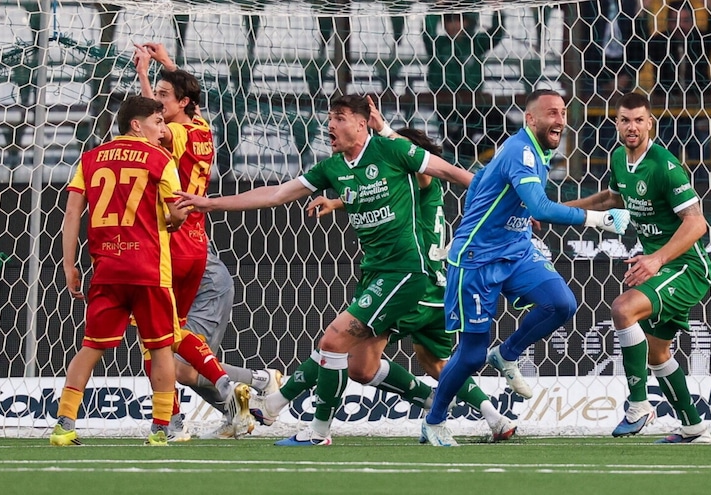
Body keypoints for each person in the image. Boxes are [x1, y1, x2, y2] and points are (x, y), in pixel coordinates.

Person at [177, 94, 474, 446]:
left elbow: (454, 173)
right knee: (356, 362)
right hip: (374, 273)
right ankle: (285, 406)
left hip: (405, 272)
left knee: (333, 341)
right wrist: (210, 203)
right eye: (329, 117)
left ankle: (311, 427)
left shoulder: (393, 150)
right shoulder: (332, 167)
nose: (330, 124)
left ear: (362, 124)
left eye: (340, 117)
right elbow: (275, 194)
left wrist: (507, 203)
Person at [288, 109, 517, 442]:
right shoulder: (423, 188)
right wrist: (339, 202)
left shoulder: (421, 179)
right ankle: (495, 417)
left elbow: (406, 168)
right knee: (435, 363)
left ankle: (285, 407)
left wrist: (386, 131)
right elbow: (376, 186)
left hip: (413, 288)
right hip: (439, 288)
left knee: (350, 353)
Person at [420, 89, 631, 447]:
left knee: (561, 303)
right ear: (530, 119)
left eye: (563, 113)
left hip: (516, 250)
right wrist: (599, 219)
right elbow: (542, 207)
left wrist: (512, 214)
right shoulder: (521, 150)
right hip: (477, 259)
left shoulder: (534, 151)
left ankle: (506, 353)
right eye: (551, 113)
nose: (559, 120)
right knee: (470, 355)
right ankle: (435, 421)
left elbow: (485, 186)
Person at [134, 43, 276, 440]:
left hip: (182, 247)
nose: (159, 105)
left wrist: (146, 75)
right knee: (174, 354)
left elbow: (152, 125)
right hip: (195, 243)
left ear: (180, 104)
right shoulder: (202, 126)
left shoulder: (175, 132)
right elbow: (184, 96)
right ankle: (244, 400)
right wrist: (166, 66)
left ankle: (251, 388)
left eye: (166, 97)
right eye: (158, 96)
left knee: (169, 355)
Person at [565, 92, 711, 443]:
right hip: (662, 268)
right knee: (657, 351)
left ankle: (638, 405)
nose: (632, 127)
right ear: (615, 123)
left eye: (638, 120)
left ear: (651, 124)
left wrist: (656, 259)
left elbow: (697, 224)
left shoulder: (664, 164)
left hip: (686, 267)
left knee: (623, 309)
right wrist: (554, 210)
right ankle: (693, 428)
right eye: (625, 120)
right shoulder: (618, 158)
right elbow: (610, 200)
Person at [50, 96, 188, 446]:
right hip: (149, 271)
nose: (163, 130)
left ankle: (64, 424)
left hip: (106, 270)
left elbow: (71, 215)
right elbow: (179, 211)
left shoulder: (90, 159)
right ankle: (160, 429)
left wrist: (70, 265)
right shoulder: (161, 158)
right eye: (158, 122)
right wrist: (171, 221)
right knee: (160, 349)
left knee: (90, 347)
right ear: (136, 125)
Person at [423, 11, 507, 164]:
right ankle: (465, 169)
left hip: (474, 105)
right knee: (456, 145)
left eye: (459, 20)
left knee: (506, 128)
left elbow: (496, 33)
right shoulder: (438, 44)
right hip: (448, 108)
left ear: (467, 22)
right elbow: (427, 31)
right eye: (449, 21)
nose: (454, 25)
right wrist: (436, 7)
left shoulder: (475, 42)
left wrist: (497, 9)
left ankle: (483, 158)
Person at [648, 0, 711, 163]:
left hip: (697, 110)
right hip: (666, 111)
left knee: (700, 160)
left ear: (693, 22)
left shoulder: (700, 41)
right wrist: (643, 13)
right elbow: (639, 43)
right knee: (665, 162)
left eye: (685, 21)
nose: (680, 26)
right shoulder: (659, 42)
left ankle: (702, 188)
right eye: (674, 21)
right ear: (667, 22)